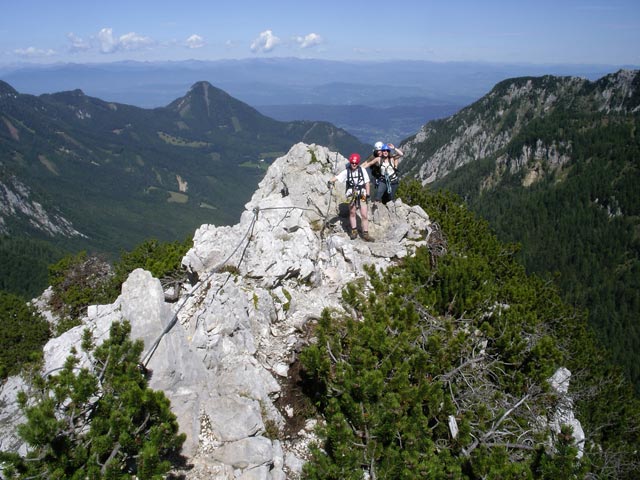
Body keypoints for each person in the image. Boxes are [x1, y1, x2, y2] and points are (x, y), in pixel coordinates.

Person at [327, 153, 374, 242]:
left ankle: (366, 233)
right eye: (352, 162)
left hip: (362, 194)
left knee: (364, 214)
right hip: (351, 195)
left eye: (355, 163)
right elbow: (337, 177)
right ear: (350, 162)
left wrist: (368, 194)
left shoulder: (362, 170)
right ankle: (354, 231)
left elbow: (367, 182)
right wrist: (330, 181)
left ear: (358, 163)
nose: (354, 164)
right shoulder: (346, 172)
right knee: (352, 213)